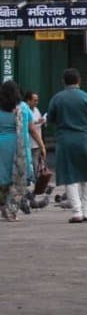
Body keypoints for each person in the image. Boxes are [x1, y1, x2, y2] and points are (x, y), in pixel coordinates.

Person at [44, 68, 87, 223]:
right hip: (84, 140)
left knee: (70, 176)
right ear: (79, 80)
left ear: (63, 81)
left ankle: (77, 213)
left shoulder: (57, 98)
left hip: (65, 141)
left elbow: (50, 118)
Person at [0, 80, 34, 222]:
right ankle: (11, 211)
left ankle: (3, 208)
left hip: (1, 145)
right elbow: (30, 129)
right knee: (17, 179)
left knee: (2, 178)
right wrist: (41, 146)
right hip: (17, 145)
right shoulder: (23, 108)